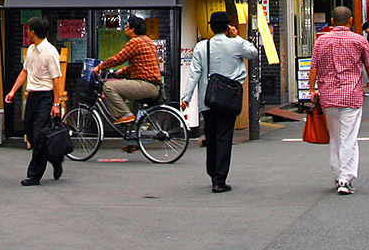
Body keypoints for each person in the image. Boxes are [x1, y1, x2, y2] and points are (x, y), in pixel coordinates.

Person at [180, 11, 258, 194]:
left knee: (211, 135)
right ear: (227, 27)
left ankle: (212, 171)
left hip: (207, 99)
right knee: (224, 137)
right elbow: (253, 52)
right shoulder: (236, 44)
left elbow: (194, 74)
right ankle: (219, 179)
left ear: (211, 27)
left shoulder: (201, 46)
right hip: (228, 100)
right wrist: (237, 35)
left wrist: (186, 98)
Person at [308, 7, 369, 196]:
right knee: (349, 137)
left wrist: (312, 89)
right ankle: (345, 179)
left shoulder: (322, 41)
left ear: (332, 20)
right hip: (351, 95)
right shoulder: (359, 40)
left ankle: (338, 174)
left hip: (328, 96)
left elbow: (314, 67)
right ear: (351, 20)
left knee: (335, 136)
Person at [5, 16, 63, 186]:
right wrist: (13, 90)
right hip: (32, 96)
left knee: (38, 136)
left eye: (29, 29)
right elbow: (24, 72)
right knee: (30, 131)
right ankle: (55, 158)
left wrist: (56, 103)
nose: (27, 32)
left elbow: (56, 79)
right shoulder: (30, 50)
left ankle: (34, 174)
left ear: (33, 32)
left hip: (46, 96)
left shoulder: (50, 52)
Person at [92, 16, 161, 125]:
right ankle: (135, 130)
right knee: (129, 102)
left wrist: (100, 67)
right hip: (153, 86)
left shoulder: (135, 42)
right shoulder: (148, 41)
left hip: (146, 85)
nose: (125, 29)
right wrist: (121, 72)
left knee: (108, 87)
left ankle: (125, 115)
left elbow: (118, 59)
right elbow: (138, 65)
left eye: (127, 27)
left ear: (133, 29)